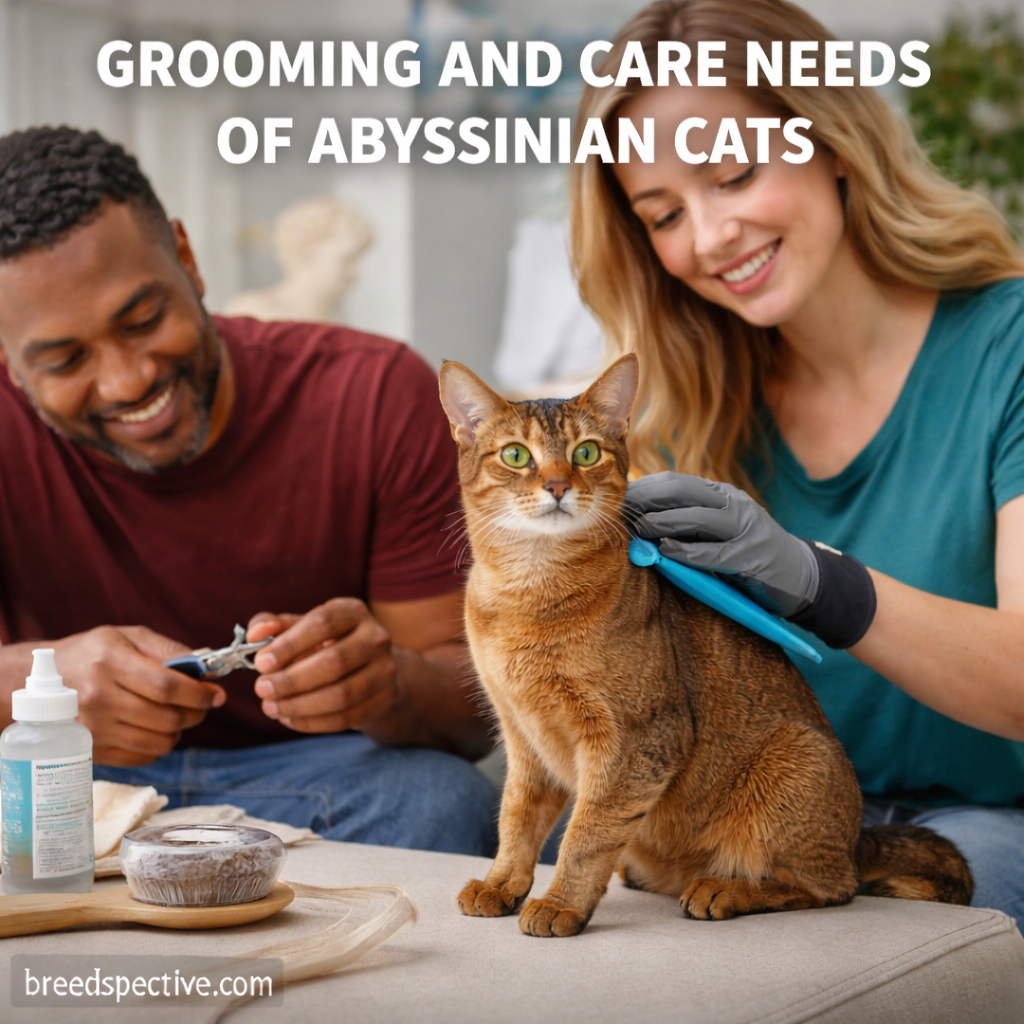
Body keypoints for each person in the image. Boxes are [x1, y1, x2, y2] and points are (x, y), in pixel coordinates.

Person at [570, 0, 1024, 924]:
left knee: (918, 934)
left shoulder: (1005, 347)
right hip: (749, 822)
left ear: (833, 140)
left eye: (735, 174)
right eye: (664, 214)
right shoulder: (678, 413)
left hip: (984, 820)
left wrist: (821, 581)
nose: (710, 237)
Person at [0, 126, 497, 856]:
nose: (128, 381)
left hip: (317, 776)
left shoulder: (371, 395)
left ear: (188, 258)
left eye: (144, 320)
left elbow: (479, 713)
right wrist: (32, 689)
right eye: (66, 359)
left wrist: (389, 684)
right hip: (57, 778)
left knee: (447, 804)